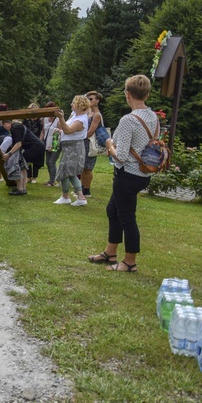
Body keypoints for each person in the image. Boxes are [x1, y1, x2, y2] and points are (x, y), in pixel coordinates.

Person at [87, 75, 157, 273]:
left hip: (127, 175)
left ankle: (129, 262)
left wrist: (109, 144)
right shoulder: (152, 116)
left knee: (127, 218)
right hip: (143, 173)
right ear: (146, 94)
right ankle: (110, 252)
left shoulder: (129, 120)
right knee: (112, 210)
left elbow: (121, 156)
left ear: (127, 94)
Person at [53, 95, 91, 206]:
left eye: (73, 103)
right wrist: (61, 125)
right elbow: (63, 128)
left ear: (80, 105)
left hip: (74, 148)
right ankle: (66, 196)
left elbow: (68, 130)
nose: (71, 105)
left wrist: (61, 118)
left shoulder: (81, 120)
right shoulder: (75, 115)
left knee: (69, 171)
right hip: (68, 147)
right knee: (65, 170)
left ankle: (80, 197)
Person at [2, 120, 45, 196]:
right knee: (23, 167)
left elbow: (18, 144)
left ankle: (20, 189)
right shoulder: (18, 126)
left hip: (34, 148)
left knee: (18, 165)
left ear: (6, 123)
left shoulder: (15, 128)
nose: (5, 128)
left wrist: (9, 154)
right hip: (38, 147)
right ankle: (23, 188)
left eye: (4, 126)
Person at [81, 91, 104, 197]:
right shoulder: (87, 113)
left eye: (91, 99)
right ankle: (82, 188)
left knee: (88, 168)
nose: (88, 101)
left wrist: (79, 135)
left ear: (97, 101)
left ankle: (87, 189)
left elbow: (91, 131)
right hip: (83, 142)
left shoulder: (97, 115)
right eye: (87, 99)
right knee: (83, 167)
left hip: (90, 143)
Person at [23, 102, 43, 184]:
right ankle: (28, 176)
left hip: (37, 140)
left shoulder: (40, 120)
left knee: (36, 160)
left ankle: (34, 177)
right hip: (28, 141)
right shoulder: (26, 119)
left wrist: (40, 140)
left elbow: (42, 131)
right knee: (27, 159)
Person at [40, 101, 60, 187]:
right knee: (48, 162)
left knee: (52, 162)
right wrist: (40, 142)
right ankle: (51, 179)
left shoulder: (58, 119)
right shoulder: (45, 119)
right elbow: (43, 132)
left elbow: (60, 132)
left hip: (56, 142)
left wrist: (54, 145)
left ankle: (52, 181)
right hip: (47, 143)